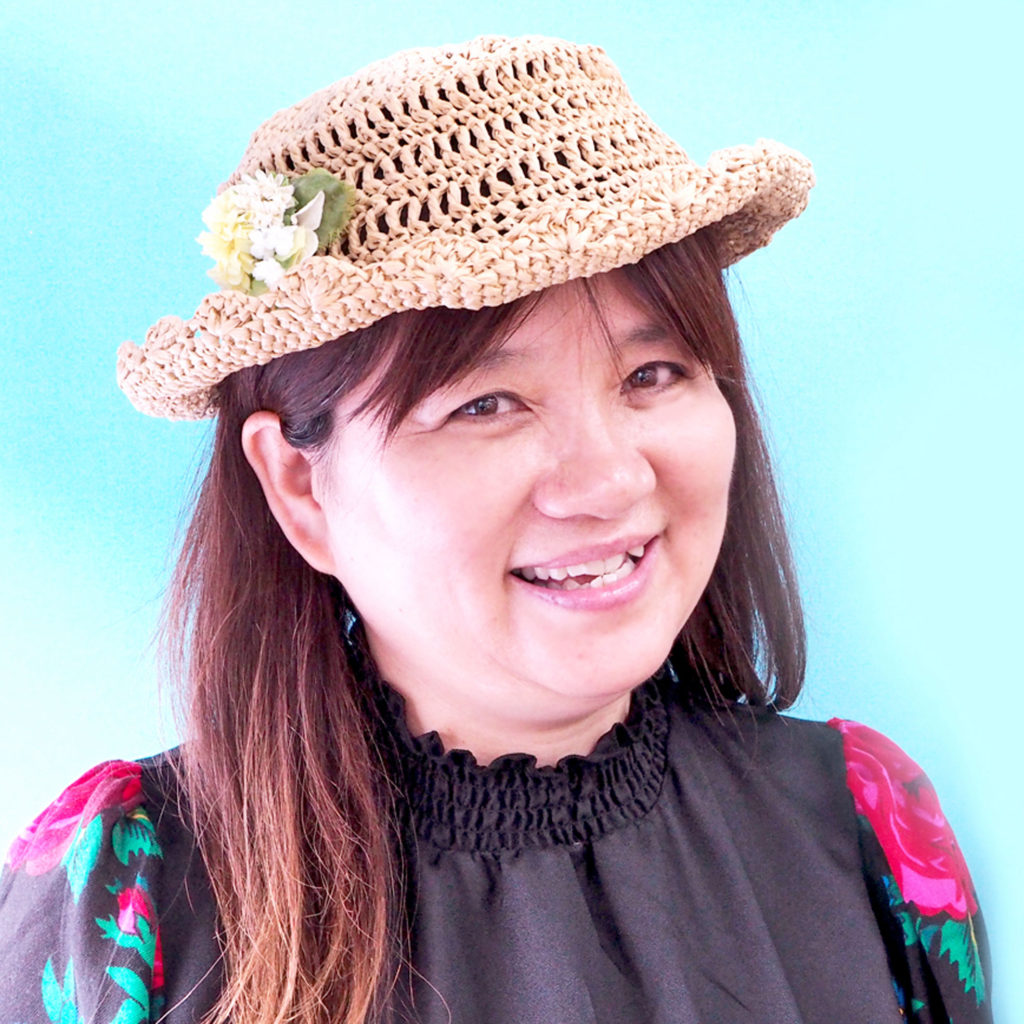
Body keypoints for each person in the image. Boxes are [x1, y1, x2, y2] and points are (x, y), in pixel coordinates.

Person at [0, 34, 991, 1024]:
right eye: (485, 404)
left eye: (652, 374)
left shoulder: (862, 826)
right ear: (300, 486)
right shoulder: (127, 899)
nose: (609, 479)